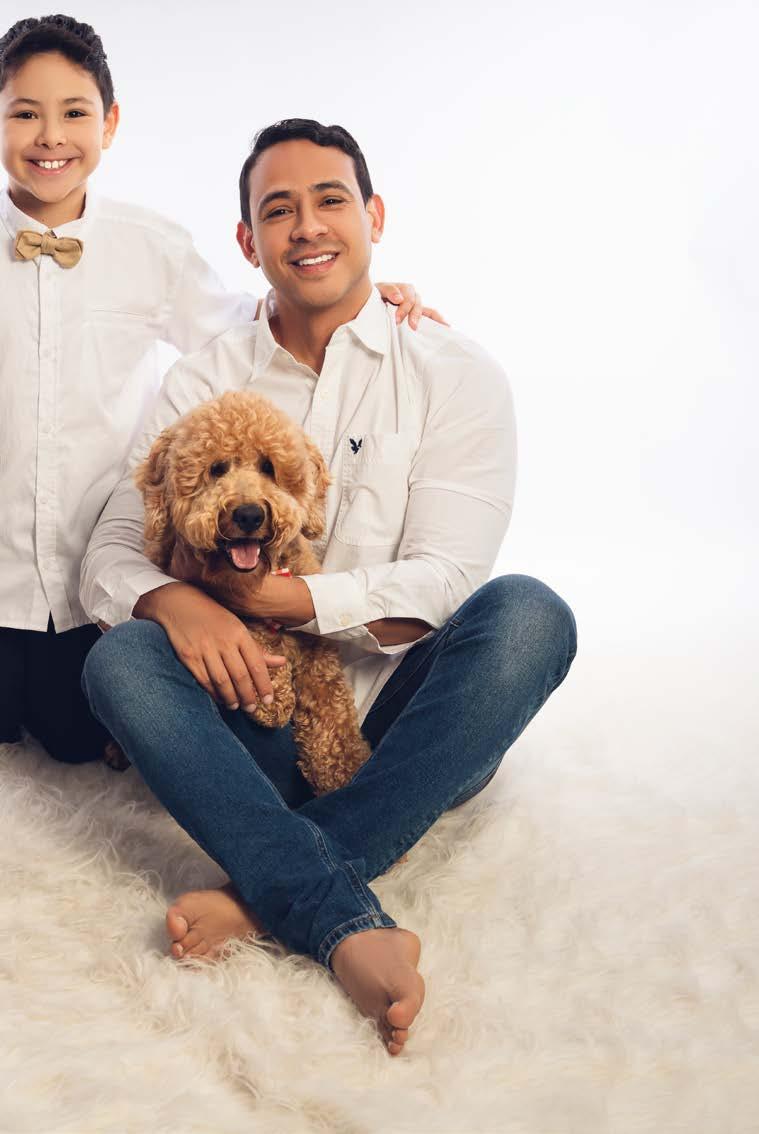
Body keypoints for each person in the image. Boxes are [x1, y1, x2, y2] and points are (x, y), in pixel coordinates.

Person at [80, 118, 577, 1055]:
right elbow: (112, 548)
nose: (306, 227)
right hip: (250, 716)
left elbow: (448, 575)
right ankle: (339, 898)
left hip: (408, 729)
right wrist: (173, 601)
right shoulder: (205, 376)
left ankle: (275, 891)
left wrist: (293, 602)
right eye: (278, 210)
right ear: (248, 241)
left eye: (329, 201)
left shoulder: (455, 373)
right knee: (122, 661)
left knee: (530, 614)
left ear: (373, 216)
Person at [0, 15, 434, 766]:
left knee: (80, 740)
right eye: (23, 113)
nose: (50, 137)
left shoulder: (152, 247)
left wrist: (360, 298)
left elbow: (250, 326)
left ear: (110, 123)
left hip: (84, 589)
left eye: (73, 112)